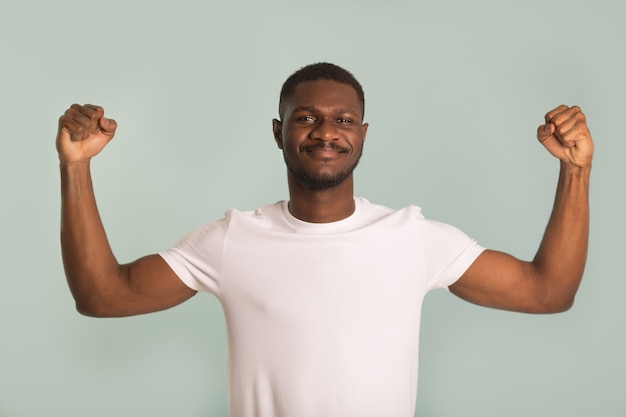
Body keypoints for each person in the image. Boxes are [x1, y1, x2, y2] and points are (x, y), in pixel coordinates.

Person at [56, 63, 593, 417]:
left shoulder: (412, 237)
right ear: (278, 131)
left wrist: (575, 171)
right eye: (306, 117)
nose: (326, 131)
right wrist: (75, 166)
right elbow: (103, 296)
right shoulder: (230, 240)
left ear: (362, 134)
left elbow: (548, 292)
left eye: (344, 119)